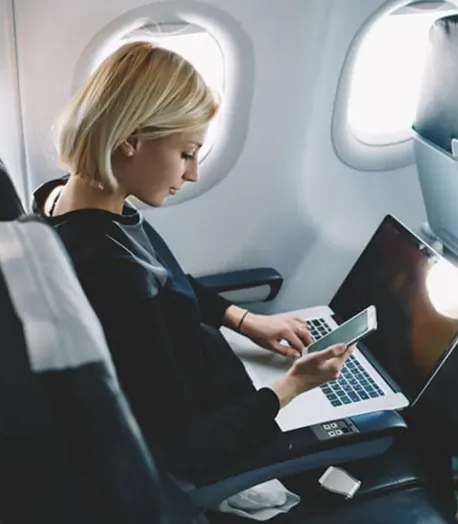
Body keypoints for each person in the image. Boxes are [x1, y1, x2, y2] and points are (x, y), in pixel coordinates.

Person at [34, 41, 354, 482]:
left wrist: (245, 320)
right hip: (228, 430)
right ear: (131, 140)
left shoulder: (65, 201)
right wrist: (295, 386)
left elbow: (165, 279)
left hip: (216, 375)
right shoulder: (110, 276)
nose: (193, 173)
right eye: (186, 153)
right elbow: (190, 452)